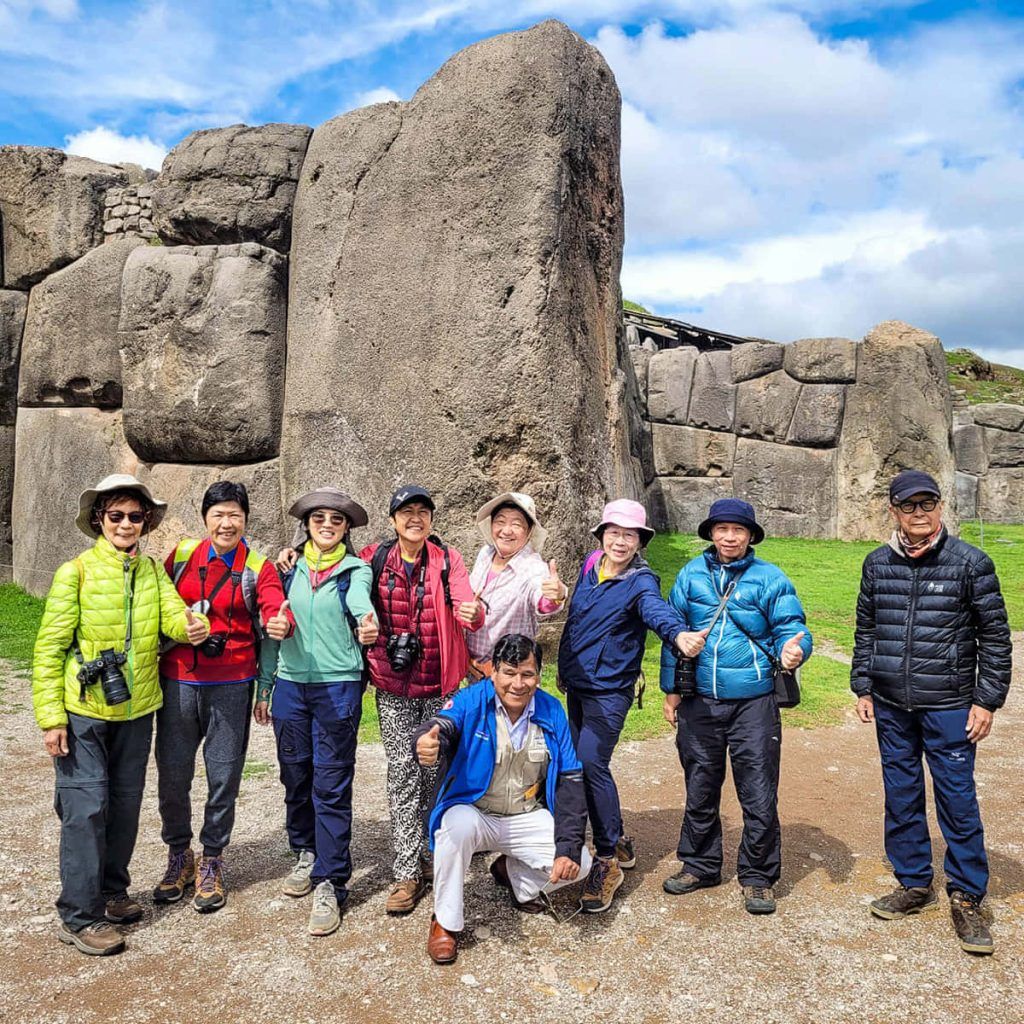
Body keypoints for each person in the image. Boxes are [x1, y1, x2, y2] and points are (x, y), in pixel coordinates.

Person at [32, 474, 209, 956]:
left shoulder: (152, 571)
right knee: (85, 808)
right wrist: (51, 718)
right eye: (116, 516)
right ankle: (79, 915)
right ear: (99, 520)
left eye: (136, 516)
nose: (127, 523)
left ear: (146, 522)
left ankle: (112, 893)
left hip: (136, 708)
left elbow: (173, 616)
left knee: (125, 805)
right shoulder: (77, 572)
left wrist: (193, 624)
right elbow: (49, 649)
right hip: (84, 710)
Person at [851, 469, 1011, 955]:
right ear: (894, 512)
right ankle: (914, 883)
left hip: (950, 705)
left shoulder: (971, 563)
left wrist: (986, 700)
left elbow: (996, 639)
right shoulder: (877, 563)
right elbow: (866, 628)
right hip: (892, 706)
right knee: (900, 794)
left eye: (928, 504)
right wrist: (863, 685)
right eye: (909, 506)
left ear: (940, 507)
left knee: (957, 801)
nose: (920, 514)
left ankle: (966, 896)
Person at [659, 498, 810, 915]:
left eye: (738, 530)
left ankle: (759, 876)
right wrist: (671, 690)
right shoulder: (690, 575)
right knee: (700, 785)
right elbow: (675, 634)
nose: (729, 537)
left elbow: (792, 629)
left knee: (758, 790)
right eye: (722, 529)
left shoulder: (770, 578)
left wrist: (794, 653)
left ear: (750, 536)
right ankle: (700, 864)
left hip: (754, 703)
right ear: (711, 532)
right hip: (699, 701)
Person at [152, 481, 295, 913]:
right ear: (205, 518)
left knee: (224, 777)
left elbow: (273, 603)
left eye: (234, 514)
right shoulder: (179, 557)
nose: (226, 522)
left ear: (246, 519)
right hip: (178, 679)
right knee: (172, 776)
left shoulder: (257, 565)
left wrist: (278, 619)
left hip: (232, 683)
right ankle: (180, 854)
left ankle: (212, 858)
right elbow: (157, 603)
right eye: (218, 514)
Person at [413, 633, 589, 964]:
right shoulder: (473, 700)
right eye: (509, 672)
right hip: (476, 812)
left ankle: (512, 874)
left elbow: (570, 778)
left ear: (539, 675)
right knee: (454, 827)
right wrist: (426, 739)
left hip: (526, 814)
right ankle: (445, 922)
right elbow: (443, 724)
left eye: (527, 674)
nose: (518, 684)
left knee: (579, 861)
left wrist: (567, 846)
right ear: (493, 671)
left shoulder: (552, 710)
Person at [557, 498, 692, 914]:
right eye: (613, 532)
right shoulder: (589, 565)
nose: (620, 541)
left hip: (610, 691)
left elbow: (656, 612)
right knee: (579, 765)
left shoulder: (640, 581)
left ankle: (607, 859)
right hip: (576, 684)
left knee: (590, 764)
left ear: (640, 541)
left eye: (629, 535)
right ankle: (615, 837)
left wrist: (678, 636)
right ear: (602, 536)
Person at [257, 487, 379, 937]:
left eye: (336, 520)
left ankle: (331, 879)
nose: (327, 525)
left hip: (337, 686)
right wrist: (265, 686)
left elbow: (362, 608)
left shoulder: (355, 571)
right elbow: (273, 629)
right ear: (306, 525)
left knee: (330, 783)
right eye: (319, 518)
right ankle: (305, 851)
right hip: (290, 686)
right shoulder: (285, 569)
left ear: (347, 529)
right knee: (296, 775)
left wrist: (370, 626)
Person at [359, 484, 484, 915]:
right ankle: (406, 871)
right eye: (406, 511)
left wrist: (474, 612)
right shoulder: (374, 559)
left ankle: (435, 856)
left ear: (431, 520)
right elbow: (341, 577)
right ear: (393, 519)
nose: (415, 518)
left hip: (440, 686)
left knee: (436, 773)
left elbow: (468, 603)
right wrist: (295, 552)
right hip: (393, 687)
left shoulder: (448, 560)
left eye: (423, 511)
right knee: (402, 774)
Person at [466, 492, 567, 680]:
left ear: (529, 531)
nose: (506, 530)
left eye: (517, 524)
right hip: (474, 671)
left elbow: (543, 599)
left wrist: (556, 595)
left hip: (511, 676)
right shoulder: (485, 554)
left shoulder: (533, 567)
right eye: (500, 521)